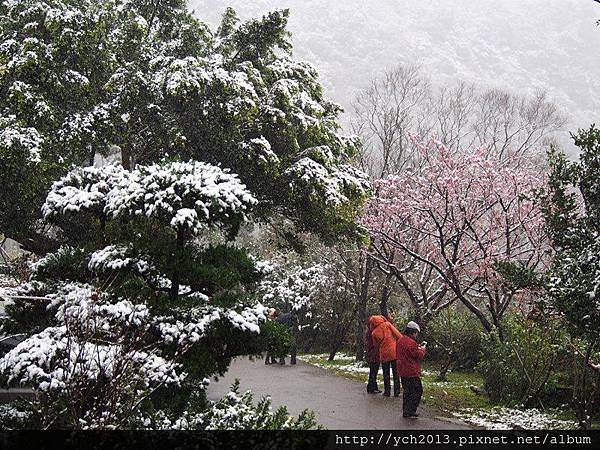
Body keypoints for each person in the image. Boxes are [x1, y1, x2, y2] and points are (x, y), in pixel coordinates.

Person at [396, 321, 426, 418]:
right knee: (417, 390)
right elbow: (418, 355)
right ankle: (410, 410)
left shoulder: (400, 340)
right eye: (416, 332)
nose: (416, 335)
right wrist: (422, 349)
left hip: (402, 370)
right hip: (411, 371)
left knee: (407, 391)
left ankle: (406, 410)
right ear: (413, 332)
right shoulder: (411, 343)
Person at [370, 314, 402, 397]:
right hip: (394, 352)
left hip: (384, 354)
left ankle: (387, 391)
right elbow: (398, 334)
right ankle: (397, 391)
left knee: (386, 373)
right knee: (396, 373)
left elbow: (376, 345)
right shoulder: (387, 324)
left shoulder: (374, 333)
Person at [364, 318, 381, 394]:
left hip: (371, 354)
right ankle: (372, 387)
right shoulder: (373, 332)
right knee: (374, 371)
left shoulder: (369, 332)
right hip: (374, 354)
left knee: (373, 372)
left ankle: (372, 387)